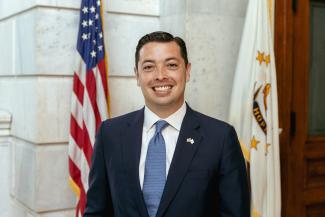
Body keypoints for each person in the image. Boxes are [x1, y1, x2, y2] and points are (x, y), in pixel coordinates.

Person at [84, 31, 250, 217]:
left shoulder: (220, 138)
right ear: (137, 75)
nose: (160, 75)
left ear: (187, 71)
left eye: (171, 65)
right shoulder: (111, 134)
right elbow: (96, 211)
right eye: (148, 67)